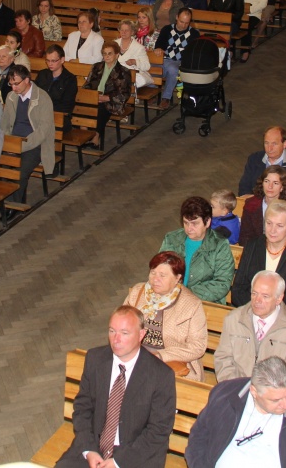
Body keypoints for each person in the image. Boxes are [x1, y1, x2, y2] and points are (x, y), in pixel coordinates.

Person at [53, 306, 176, 468]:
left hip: (135, 455)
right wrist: (89, 450)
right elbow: (82, 409)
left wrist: (119, 462)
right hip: (94, 446)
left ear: (141, 335)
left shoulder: (161, 375)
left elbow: (159, 431)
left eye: (124, 333)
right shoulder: (95, 359)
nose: (116, 339)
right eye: (112, 331)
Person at [187, 356, 286, 468]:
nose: (285, 404)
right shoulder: (225, 396)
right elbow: (198, 440)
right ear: (254, 391)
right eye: (276, 400)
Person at [123, 251, 209, 381]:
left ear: (177, 278)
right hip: (136, 357)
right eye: (153, 273)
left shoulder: (191, 305)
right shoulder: (137, 293)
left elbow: (198, 347)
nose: (155, 279)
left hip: (172, 363)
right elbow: (121, 326)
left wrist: (160, 355)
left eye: (162, 275)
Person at [214, 273, 286, 386]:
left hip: (273, 393)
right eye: (254, 293)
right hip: (235, 388)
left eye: (265, 296)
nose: (257, 300)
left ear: (279, 298)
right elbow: (223, 359)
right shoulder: (233, 319)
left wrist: (267, 394)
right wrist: (236, 388)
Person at [232, 200, 286, 321]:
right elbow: (238, 290)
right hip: (250, 315)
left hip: (284, 320)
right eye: (269, 223)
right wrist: (257, 312)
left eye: (279, 226)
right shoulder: (252, 246)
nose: (272, 230)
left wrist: (272, 317)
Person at [158, 196, 234, 304]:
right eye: (186, 223)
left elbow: (222, 284)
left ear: (207, 222)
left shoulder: (220, 245)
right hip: (170, 297)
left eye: (195, 223)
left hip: (204, 302)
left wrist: (185, 294)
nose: (189, 228)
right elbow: (160, 270)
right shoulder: (171, 239)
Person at [1, 64, 56, 205]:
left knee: (19, 173)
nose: (13, 88)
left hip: (35, 145)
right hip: (13, 143)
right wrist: (8, 143)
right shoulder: (11, 97)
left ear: (27, 80)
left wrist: (21, 146)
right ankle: (5, 203)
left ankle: (13, 206)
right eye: (11, 84)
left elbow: (42, 131)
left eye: (16, 84)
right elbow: (5, 124)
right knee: (1, 169)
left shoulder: (42, 98)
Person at [84, 40, 133, 149]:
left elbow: (124, 94)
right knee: (81, 107)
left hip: (112, 102)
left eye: (110, 53)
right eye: (104, 53)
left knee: (102, 108)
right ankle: (84, 134)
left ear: (117, 55)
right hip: (94, 98)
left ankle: (95, 137)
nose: (106, 56)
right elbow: (87, 85)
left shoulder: (123, 71)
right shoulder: (96, 67)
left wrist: (105, 98)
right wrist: (91, 96)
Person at [237, 126, 286, 197]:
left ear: (285, 144)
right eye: (266, 143)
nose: (269, 148)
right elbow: (244, 187)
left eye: (274, 144)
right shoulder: (254, 159)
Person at [239, 165, 286, 246]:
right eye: (266, 181)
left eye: (275, 183)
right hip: (254, 248)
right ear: (262, 183)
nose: (270, 186)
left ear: (282, 187)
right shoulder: (251, 204)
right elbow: (245, 236)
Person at [154, 7, 198, 107]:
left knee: (173, 69)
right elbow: (159, 44)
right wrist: (158, 49)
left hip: (180, 62)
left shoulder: (194, 33)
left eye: (187, 23)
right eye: (182, 22)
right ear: (177, 17)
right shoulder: (167, 29)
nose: (184, 25)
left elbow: (193, 52)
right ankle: (152, 92)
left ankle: (166, 98)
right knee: (151, 66)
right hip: (164, 59)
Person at [35, 45, 78, 129]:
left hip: (59, 118)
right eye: (47, 60)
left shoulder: (70, 79)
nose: (50, 64)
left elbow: (66, 106)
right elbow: (34, 95)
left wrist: (45, 111)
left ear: (62, 60)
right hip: (39, 115)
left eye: (53, 61)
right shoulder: (42, 74)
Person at [116, 19, 152, 88]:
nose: (123, 32)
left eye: (126, 30)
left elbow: (147, 66)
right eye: (122, 30)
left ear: (132, 32)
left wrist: (135, 62)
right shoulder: (114, 44)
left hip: (131, 77)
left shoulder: (139, 48)